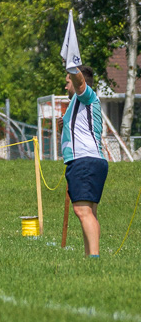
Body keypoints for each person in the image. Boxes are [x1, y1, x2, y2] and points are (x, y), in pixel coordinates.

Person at [62, 63, 107, 258]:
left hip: (85, 160)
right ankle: (90, 256)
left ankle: (94, 258)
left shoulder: (87, 95)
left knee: (82, 211)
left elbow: (80, 83)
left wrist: (72, 64)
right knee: (88, 212)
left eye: (67, 82)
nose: (65, 87)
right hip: (89, 161)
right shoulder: (77, 104)